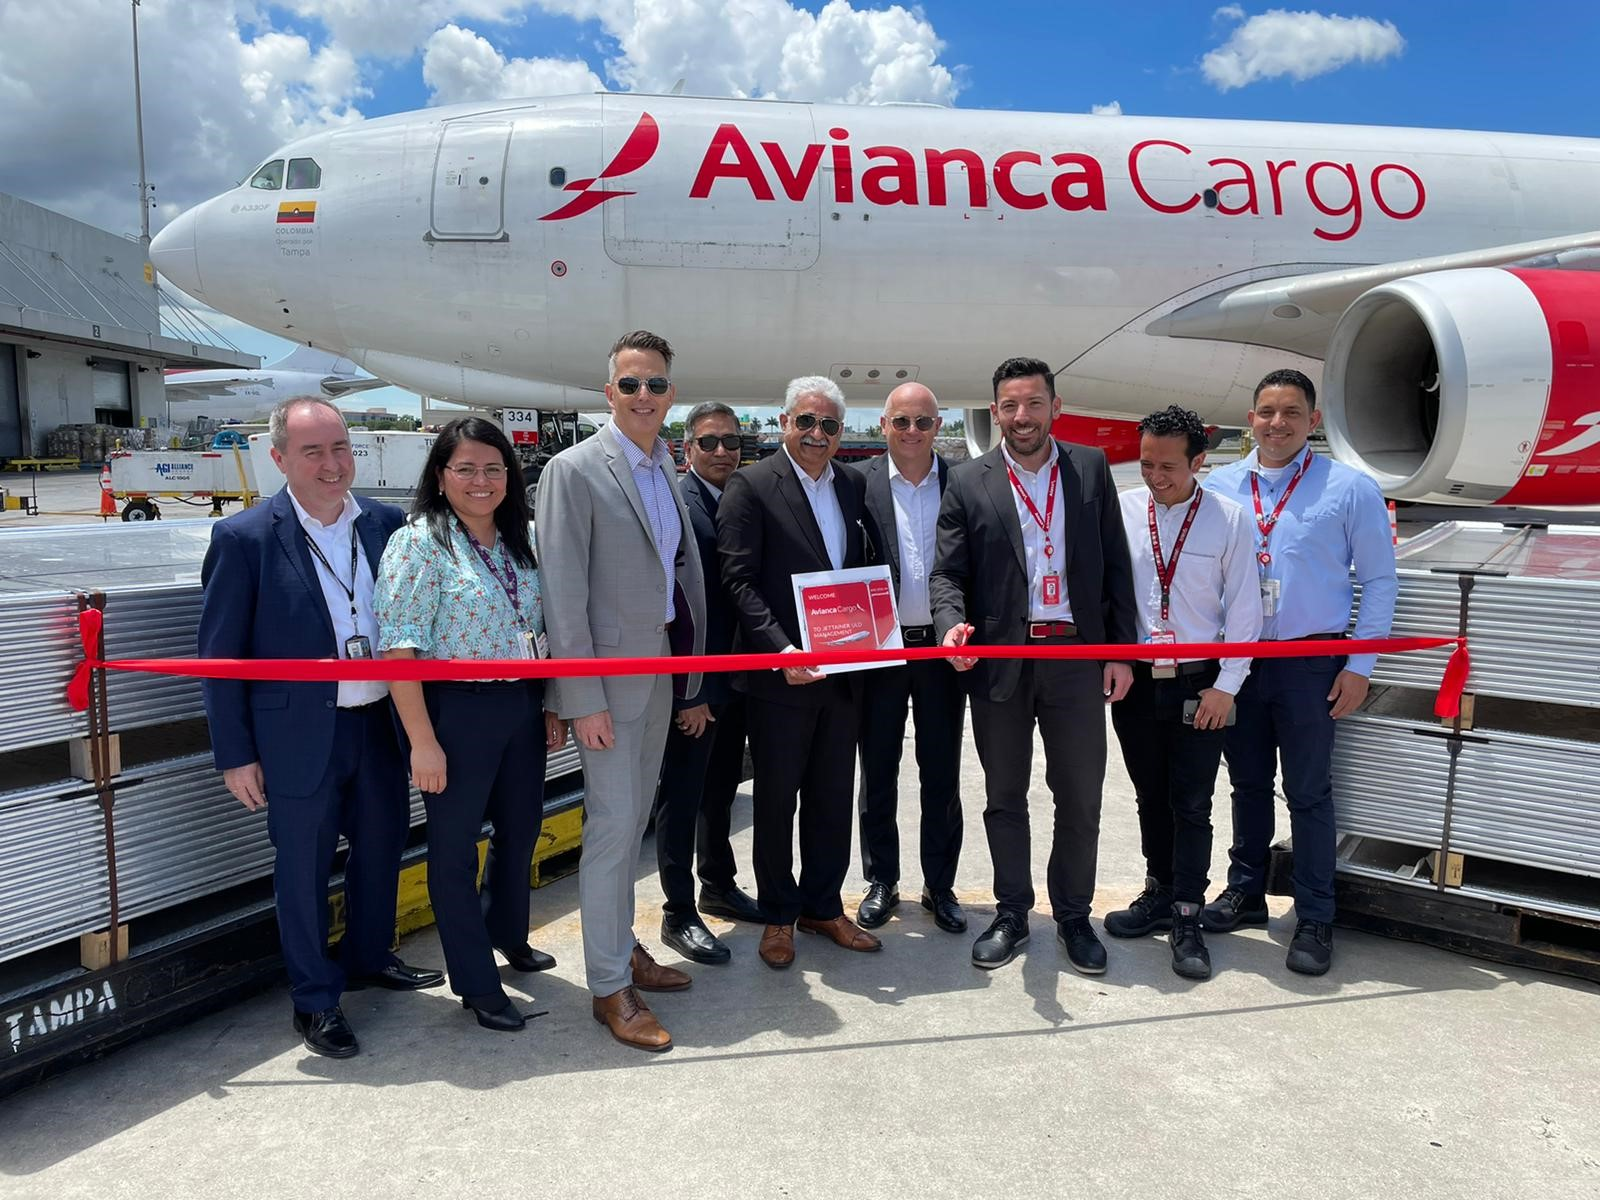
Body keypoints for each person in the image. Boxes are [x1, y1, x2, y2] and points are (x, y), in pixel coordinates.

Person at [198, 394, 443, 1061]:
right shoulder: (243, 539)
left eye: (340, 449)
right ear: (279, 458)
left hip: (380, 727)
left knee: (381, 848)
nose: (332, 465)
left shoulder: (388, 525)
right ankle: (314, 998)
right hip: (300, 735)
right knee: (302, 871)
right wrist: (236, 754)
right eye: (313, 452)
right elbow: (219, 659)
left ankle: (369, 956)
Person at [929, 357, 1137, 974]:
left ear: (1055, 405)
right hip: (1002, 660)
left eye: (1034, 404)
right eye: (1010, 406)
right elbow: (946, 573)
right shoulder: (968, 480)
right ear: (996, 412)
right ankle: (1013, 910)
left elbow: (1115, 567)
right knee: (1004, 794)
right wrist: (949, 627)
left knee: (1080, 794)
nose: (1023, 417)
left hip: (1075, 656)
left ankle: (1073, 914)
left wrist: (1120, 652)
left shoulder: (1091, 468)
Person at [535, 330, 707, 1052]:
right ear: (609, 393)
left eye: (657, 385)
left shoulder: (662, 466)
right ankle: (609, 985)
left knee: (630, 825)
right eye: (631, 385)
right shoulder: (574, 470)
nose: (644, 396)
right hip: (606, 686)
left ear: (671, 394)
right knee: (610, 833)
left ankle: (623, 947)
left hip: (660, 675)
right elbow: (562, 596)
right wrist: (579, 698)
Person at [1200, 368, 1398, 975]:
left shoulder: (1349, 488)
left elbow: (1381, 579)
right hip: (1240, 660)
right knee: (1248, 784)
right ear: (1250, 419)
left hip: (1311, 662)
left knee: (1308, 792)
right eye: (1265, 411)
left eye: (1291, 413)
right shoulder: (1222, 485)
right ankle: (1246, 890)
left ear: (1313, 421)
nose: (1276, 423)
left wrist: (1360, 664)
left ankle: (1315, 914)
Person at [374, 418, 565, 1032]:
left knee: (522, 828)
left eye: (493, 468)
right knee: (454, 848)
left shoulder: (522, 539)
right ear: (440, 475)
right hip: (454, 712)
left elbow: (546, 630)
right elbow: (398, 651)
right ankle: (476, 983)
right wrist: (422, 742)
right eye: (466, 469)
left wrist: (552, 703)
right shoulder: (419, 543)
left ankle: (508, 934)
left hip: (521, 705)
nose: (481, 481)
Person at [718, 376, 878, 970]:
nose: (817, 435)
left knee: (834, 797)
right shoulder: (752, 484)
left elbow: (861, 570)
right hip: (781, 677)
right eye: (806, 422)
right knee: (777, 801)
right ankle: (778, 916)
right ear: (785, 422)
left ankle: (822, 906)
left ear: (841, 432)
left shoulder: (854, 485)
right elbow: (738, 579)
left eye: (829, 425)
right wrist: (782, 649)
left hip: (842, 673)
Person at [1105, 406, 1262, 981]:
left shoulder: (1228, 518)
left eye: (1169, 466)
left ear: (1201, 461)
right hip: (1137, 681)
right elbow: (1109, 598)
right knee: (1150, 795)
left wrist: (1227, 686)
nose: (1156, 476)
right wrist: (1116, 657)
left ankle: (1189, 913)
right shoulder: (1122, 511)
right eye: (1147, 463)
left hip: (1202, 682)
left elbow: (1246, 611)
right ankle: (1159, 890)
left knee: (1192, 801)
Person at [851, 383, 967, 935]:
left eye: (923, 422)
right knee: (877, 769)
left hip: (943, 648)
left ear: (939, 426)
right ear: (883, 426)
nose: (913, 432)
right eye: (902, 422)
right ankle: (882, 880)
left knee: (940, 770)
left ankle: (939, 886)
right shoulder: (858, 483)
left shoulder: (963, 482)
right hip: (881, 647)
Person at [651, 401, 763, 965]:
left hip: (744, 677)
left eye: (730, 441)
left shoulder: (743, 495)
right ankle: (678, 912)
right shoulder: (677, 502)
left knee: (723, 791)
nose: (722, 451)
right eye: (709, 442)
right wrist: (688, 690)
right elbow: (675, 603)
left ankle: (718, 883)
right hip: (698, 679)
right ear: (687, 447)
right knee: (684, 794)